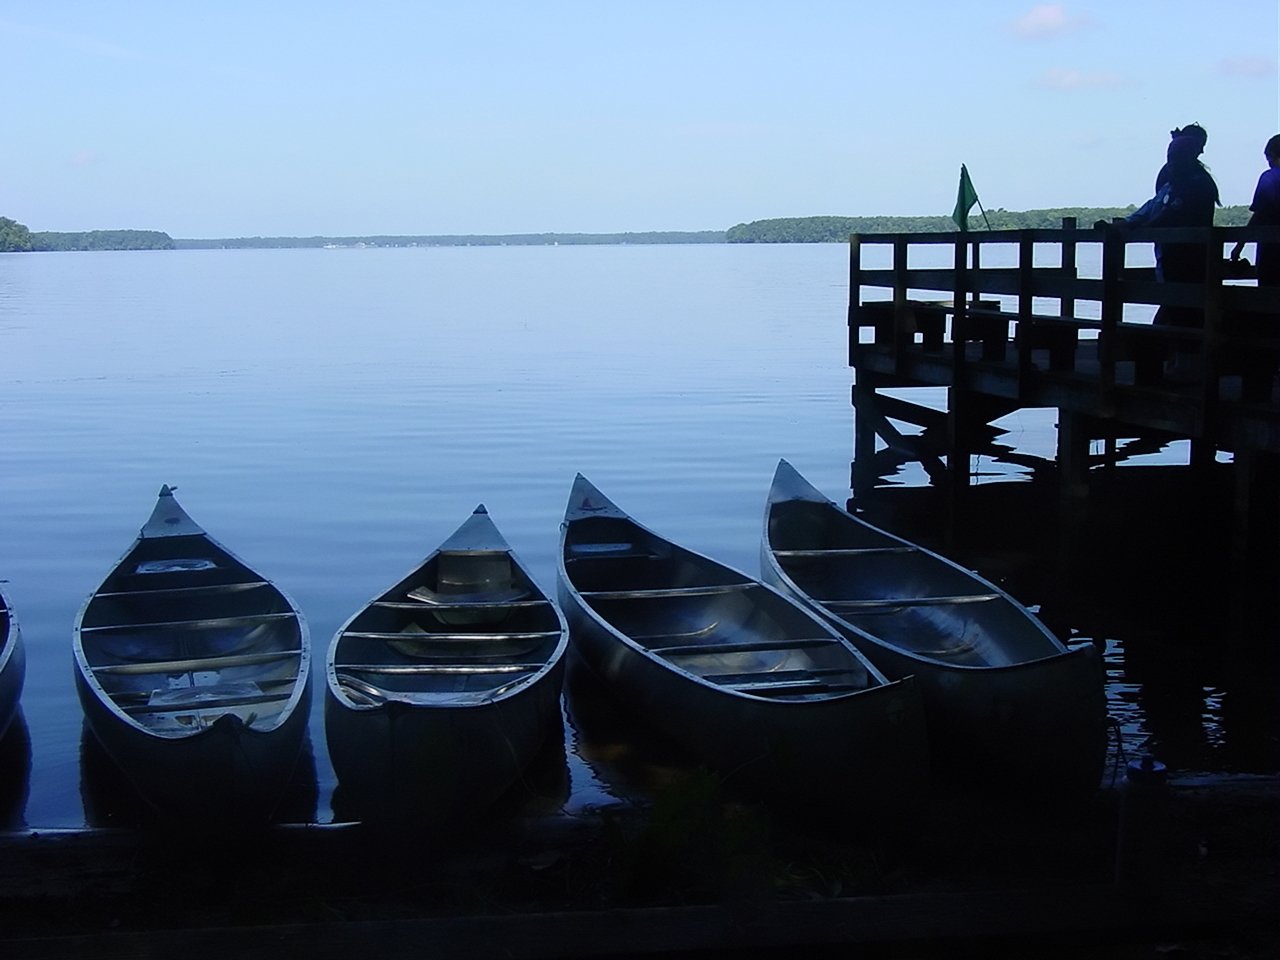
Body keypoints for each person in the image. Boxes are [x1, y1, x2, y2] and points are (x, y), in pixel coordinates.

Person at [1230, 133, 1280, 286]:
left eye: (1269, 158)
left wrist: (1239, 246)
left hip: (1272, 251)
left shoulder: (1269, 178)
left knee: (1268, 298)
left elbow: (1259, 215)